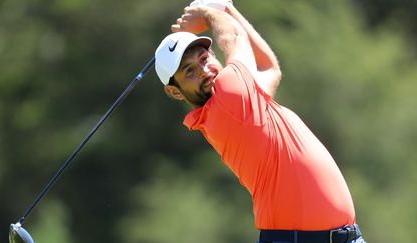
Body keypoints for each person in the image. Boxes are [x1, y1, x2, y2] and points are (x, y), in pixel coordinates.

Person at [154, 1, 366, 242]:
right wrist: (207, 12)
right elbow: (233, 36)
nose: (203, 70)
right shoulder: (229, 100)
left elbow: (268, 67)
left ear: (212, 54)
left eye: (203, 58)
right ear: (175, 92)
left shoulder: (243, 102)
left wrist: (226, 8)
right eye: (189, 71)